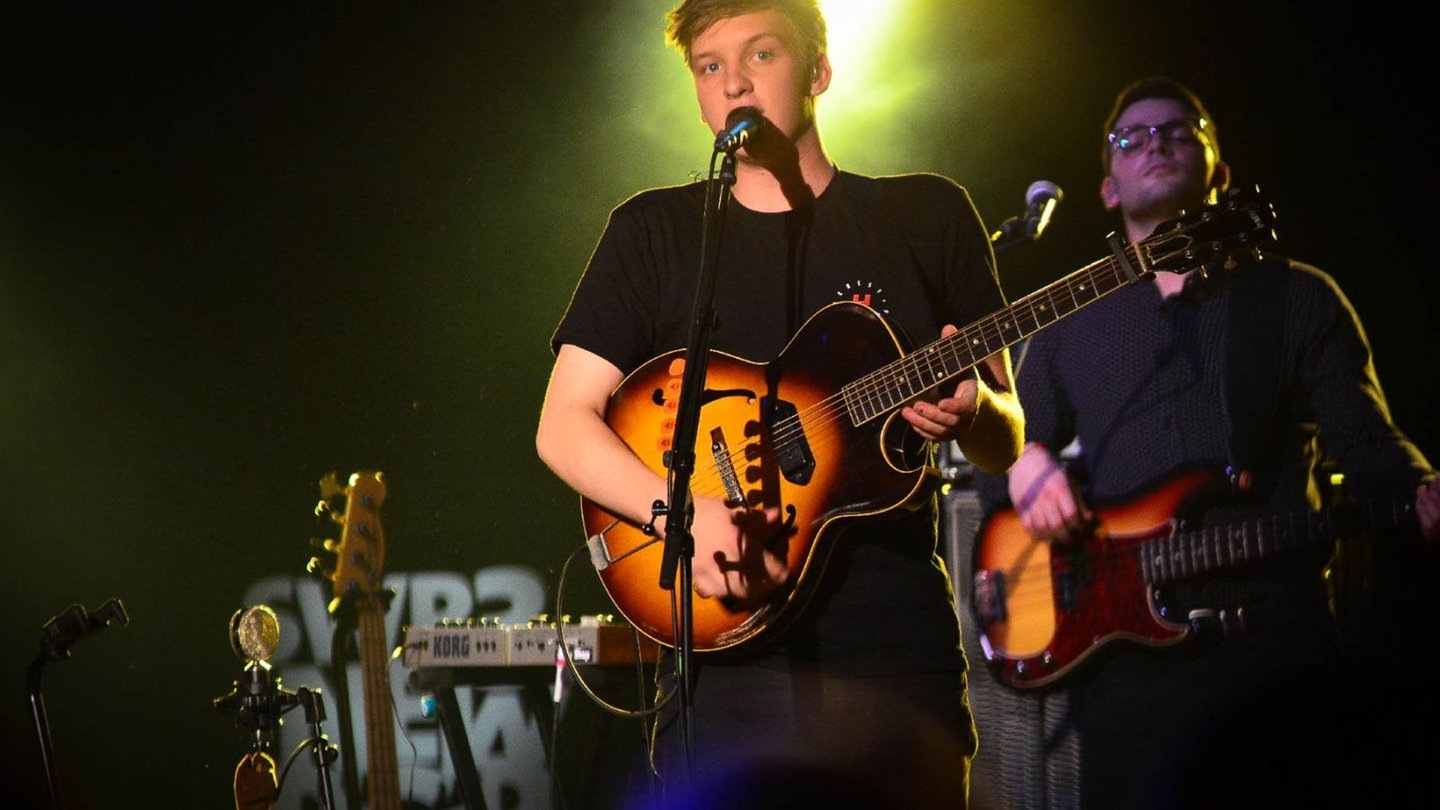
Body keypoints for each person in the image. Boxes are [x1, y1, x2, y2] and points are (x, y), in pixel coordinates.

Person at [535, 1, 1024, 806]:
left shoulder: (925, 215)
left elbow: (1007, 432)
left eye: (761, 55)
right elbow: (563, 424)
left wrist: (974, 416)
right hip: (725, 661)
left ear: (820, 71)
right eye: (710, 66)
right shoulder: (653, 233)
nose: (734, 83)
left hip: (892, 649)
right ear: (697, 98)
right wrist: (681, 513)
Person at [971, 76, 1440, 809]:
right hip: (1125, 671)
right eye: (1132, 137)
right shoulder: (1067, 327)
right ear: (1107, 190)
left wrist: (1419, 491)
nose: (1155, 142)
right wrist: (1026, 462)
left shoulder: (1297, 296)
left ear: (1220, 172)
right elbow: (997, 458)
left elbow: (1367, 445)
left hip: (1277, 650)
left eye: (1180, 131)